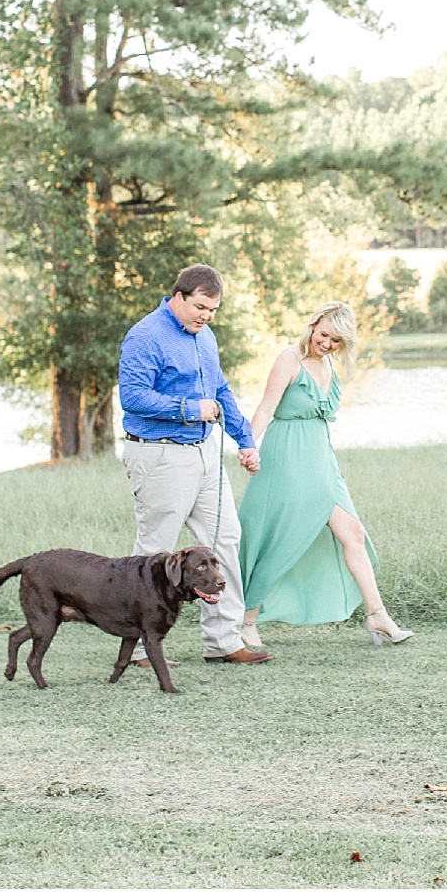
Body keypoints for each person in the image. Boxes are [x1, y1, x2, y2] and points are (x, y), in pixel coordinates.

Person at [117, 264, 271, 666]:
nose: (206, 316)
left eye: (213, 310)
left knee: (225, 542)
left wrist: (245, 440)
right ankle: (140, 649)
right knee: (155, 551)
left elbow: (220, 390)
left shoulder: (206, 338)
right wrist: (189, 409)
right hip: (159, 453)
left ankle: (224, 641)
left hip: (206, 454)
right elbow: (132, 397)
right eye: (201, 307)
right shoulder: (145, 336)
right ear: (179, 296)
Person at [237, 301, 413, 648]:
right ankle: (247, 619)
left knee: (354, 533)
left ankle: (377, 615)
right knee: (280, 536)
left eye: (336, 341)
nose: (327, 344)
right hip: (286, 457)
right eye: (324, 335)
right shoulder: (289, 360)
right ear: (314, 324)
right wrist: (248, 445)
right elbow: (266, 407)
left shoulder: (329, 365)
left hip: (321, 460)